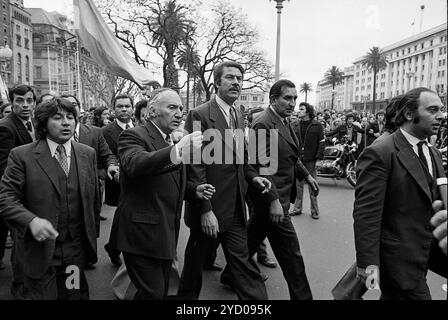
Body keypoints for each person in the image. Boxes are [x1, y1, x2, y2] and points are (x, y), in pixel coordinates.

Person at [177, 61, 271, 300]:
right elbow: (195, 165)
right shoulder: (198, 114)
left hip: (236, 207)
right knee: (194, 268)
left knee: (243, 263)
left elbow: (241, 159)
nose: (236, 83)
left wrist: (253, 177)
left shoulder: (238, 115)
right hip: (209, 209)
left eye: (239, 78)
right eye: (230, 78)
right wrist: (205, 210)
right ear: (217, 83)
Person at [110, 88, 210, 299]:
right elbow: (135, 164)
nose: (179, 113)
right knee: (153, 293)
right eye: (172, 107)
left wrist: (193, 191)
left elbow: (169, 180)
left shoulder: (170, 140)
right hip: (141, 235)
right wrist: (177, 150)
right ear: (152, 111)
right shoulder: (133, 135)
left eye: (181, 108)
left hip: (164, 235)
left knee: (158, 292)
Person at [0, 98, 99, 299]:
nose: (66, 122)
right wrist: (32, 221)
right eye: (57, 118)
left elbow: (93, 198)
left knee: (73, 294)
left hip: (74, 252)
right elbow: (6, 198)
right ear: (43, 124)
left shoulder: (87, 154)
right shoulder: (22, 155)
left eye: (70, 117)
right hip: (39, 251)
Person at [353, 87, 447, 300]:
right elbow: (367, 216)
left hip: (427, 253)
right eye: (433, 110)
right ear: (408, 114)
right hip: (397, 261)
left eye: (441, 109)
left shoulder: (433, 152)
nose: (440, 116)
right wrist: (368, 266)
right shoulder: (381, 152)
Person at [234, 79, 317, 300]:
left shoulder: (285, 121)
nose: (292, 103)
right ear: (273, 99)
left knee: (250, 241)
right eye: (287, 98)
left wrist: (307, 175)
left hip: (279, 198)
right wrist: (273, 201)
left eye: (295, 98)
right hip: (272, 199)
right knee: (292, 257)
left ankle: (228, 276)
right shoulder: (263, 123)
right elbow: (258, 165)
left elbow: (290, 157)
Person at [60, 94, 119, 225]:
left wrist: (111, 165)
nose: (69, 107)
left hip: (89, 191)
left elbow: (107, 155)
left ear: (79, 109)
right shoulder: (52, 134)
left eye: (73, 104)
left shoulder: (95, 132)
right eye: (65, 104)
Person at [0, 85, 36, 295]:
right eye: (19, 100)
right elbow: (4, 169)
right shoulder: (6, 127)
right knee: (22, 243)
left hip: (28, 194)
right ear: (11, 101)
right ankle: (20, 287)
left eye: (29, 100)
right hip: (16, 197)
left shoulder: (31, 124)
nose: (24, 105)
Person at [102, 94, 135, 266]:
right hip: (118, 181)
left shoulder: (140, 127)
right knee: (125, 214)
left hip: (138, 180)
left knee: (126, 216)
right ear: (113, 109)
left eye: (127, 106)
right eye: (120, 106)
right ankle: (116, 247)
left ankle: (114, 246)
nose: (123, 109)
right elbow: (107, 155)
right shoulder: (106, 132)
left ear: (132, 108)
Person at [290, 102, 325, 219]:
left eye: (301, 109)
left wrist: (319, 158)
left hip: (311, 160)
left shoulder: (317, 125)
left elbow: (321, 142)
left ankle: (315, 211)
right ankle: (297, 208)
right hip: (299, 160)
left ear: (308, 111)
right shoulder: (294, 124)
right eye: (299, 109)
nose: (298, 111)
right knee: (298, 186)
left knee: (312, 185)